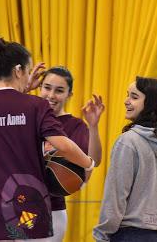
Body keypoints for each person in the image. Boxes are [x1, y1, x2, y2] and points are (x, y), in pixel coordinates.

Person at [0, 37, 95, 241]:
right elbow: (62, 145)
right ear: (18, 70)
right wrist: (88, 164)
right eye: (27, 70)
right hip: (25, 212)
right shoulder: (35, 106)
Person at [93, 76, 157, 242]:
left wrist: (101, 235)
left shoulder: (128, 141)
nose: (126, 101)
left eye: (134, 97)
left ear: (150, 103)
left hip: (130, 235)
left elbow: (116, 196)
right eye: (127, 95)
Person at [38, 66, 104, 241]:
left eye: (59, 90)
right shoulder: (27, 118)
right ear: (39, 87)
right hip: (20, 204)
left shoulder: (75, 126)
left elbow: (93, 163)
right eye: (47, 87)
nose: (51, 95)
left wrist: (93, 126)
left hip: (52, 210)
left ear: (69, 94)